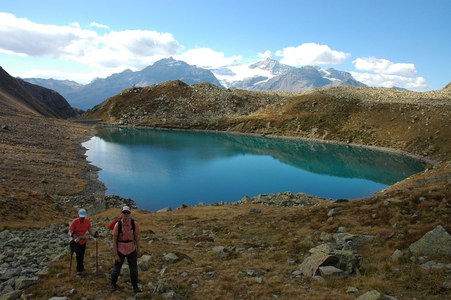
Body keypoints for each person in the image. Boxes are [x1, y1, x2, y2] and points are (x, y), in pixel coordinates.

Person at [111, 205, 142, 293]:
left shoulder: (134, 224)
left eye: (128, 212)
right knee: (117, 269)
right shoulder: (118, 225)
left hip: (131, 249)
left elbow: (137, 238)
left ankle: (135, 286)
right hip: (120, 249)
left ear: (130, 214)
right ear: (121, 213)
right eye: (124, 212)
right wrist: (115, 254)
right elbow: (114, 240)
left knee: (134, 269)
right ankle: (113, 284)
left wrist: (138, 250)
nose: (126, 214)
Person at [68, 208, 98, 275]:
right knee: (79, 253)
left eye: (83, 217)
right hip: (74, 241)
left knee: (81, 255)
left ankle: (81, 268)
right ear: (78, 216)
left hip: (83, 241)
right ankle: (79, 270)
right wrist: (72, 235)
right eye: (81, 217)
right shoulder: (74, 221)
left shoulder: (87, 221)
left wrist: (94, 235)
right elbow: (69, 231)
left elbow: (90, 231)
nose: (82, 218)